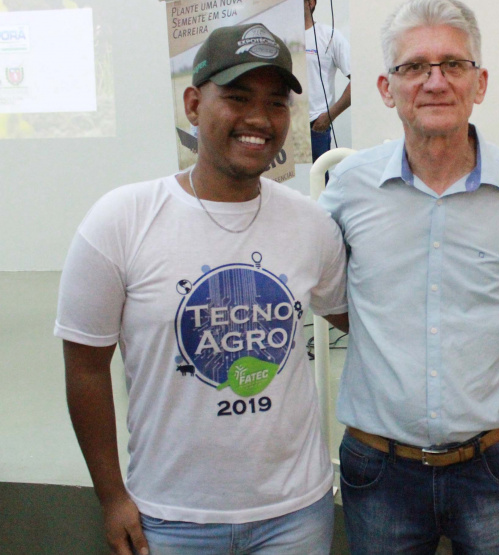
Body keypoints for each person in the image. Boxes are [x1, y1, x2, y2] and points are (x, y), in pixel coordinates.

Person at [55, 23, 347, 555]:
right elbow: (85, 368)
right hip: (169, 518)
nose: (259, 119)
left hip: (294, 516)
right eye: (236, 98)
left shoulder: (312, 225)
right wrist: (112, 496)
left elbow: (364, 321)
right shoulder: (120, 221)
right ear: (193, 104)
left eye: (276, 103)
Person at [318, 0, 499, 552]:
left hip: (496, 466)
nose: (435, 81)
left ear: (479, 82)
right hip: (379, 467)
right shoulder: (349, 186)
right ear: (386, 87)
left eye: (453, 65)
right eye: (414, 67)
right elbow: (325, 286)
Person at [304, 0, 351, 163]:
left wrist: (328, 117)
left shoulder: (329, 36)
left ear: (310, 3)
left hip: (315, 126)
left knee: (318, 181)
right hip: (286, 125)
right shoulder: (279, 37)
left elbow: (357, 80)